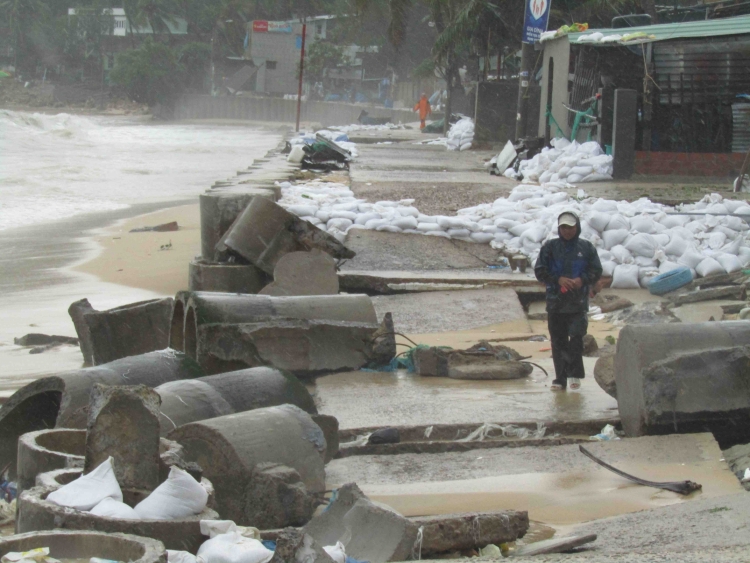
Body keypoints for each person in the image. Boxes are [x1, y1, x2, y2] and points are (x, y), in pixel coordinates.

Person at [534, 211, 602, 391]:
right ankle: (560, 378)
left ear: (577, 227)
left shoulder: (586, 248)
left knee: (576, 337)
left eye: (571, 227)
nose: (567, 231)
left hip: (577, 302)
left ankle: (575, 374)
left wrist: (582, 280)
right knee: (558, 340)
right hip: (556, 302)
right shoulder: (550, 247)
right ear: (559, 228)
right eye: (564, 227)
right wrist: (558, 279)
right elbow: (540, 270)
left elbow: (596, 270)